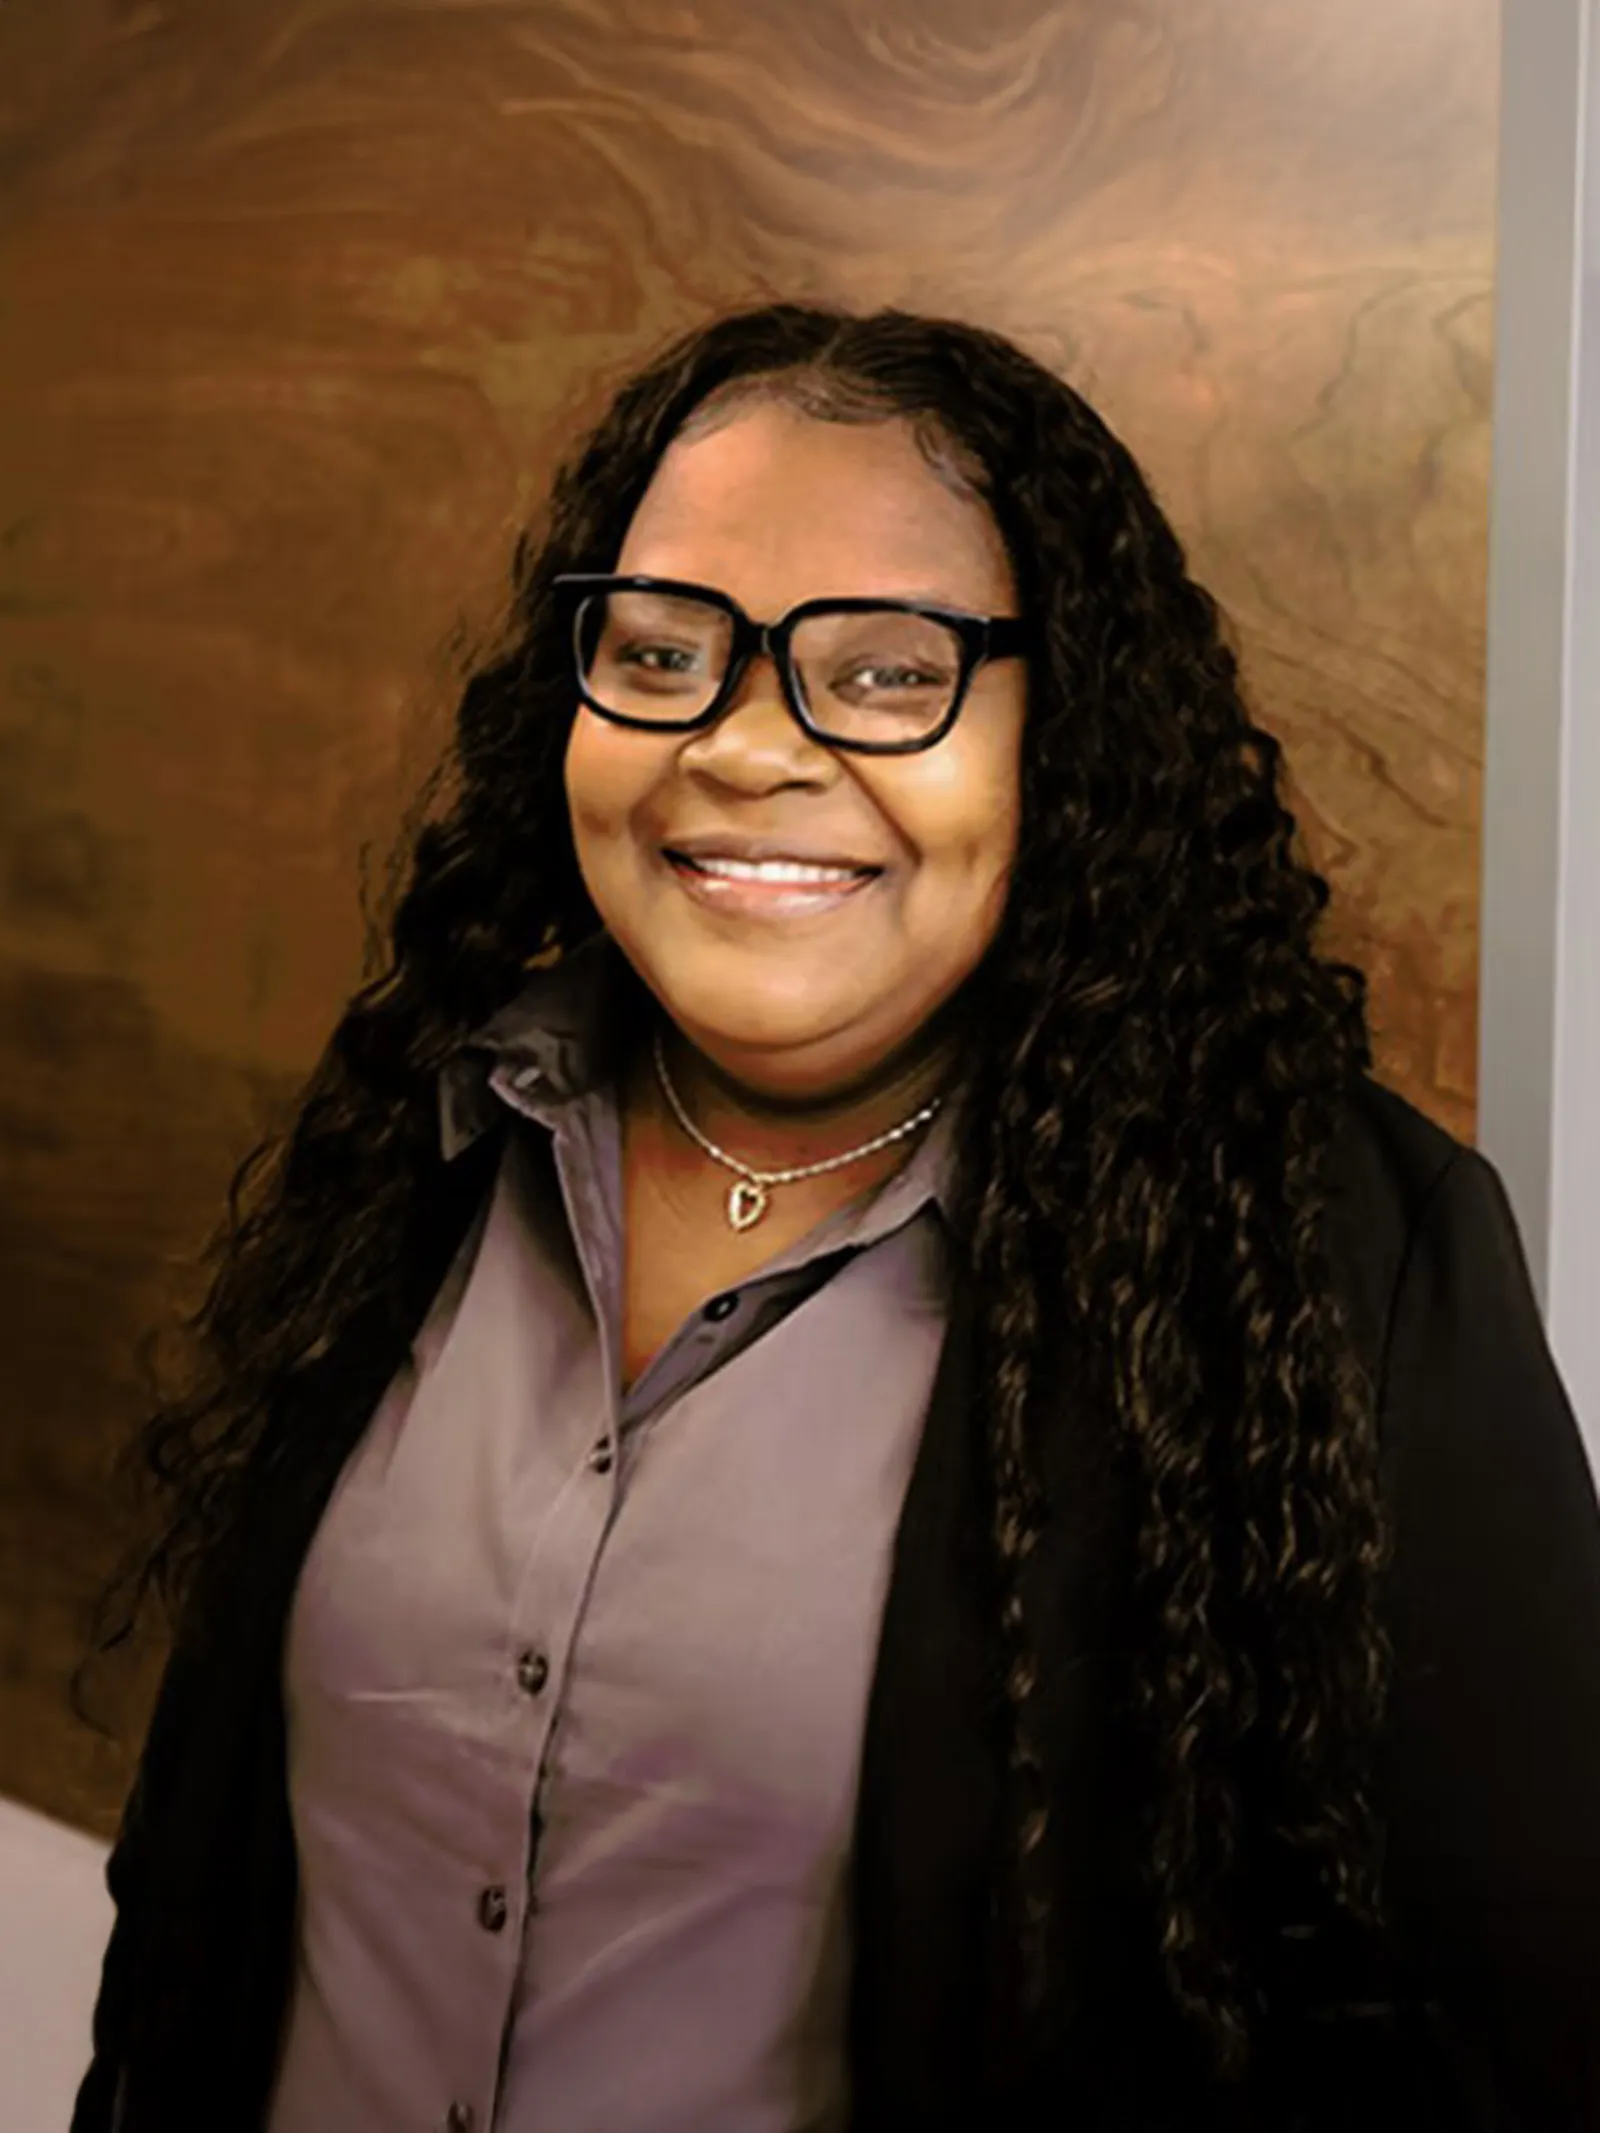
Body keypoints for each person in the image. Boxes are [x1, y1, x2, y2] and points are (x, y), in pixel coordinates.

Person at [71, 303, 1600, 2133]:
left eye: (885, 673)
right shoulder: (433, 1135)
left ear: (1067, 738)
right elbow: (197, 1927)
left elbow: (1513, 2055)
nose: (743, 746)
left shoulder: (1327, 1272)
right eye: (662, 651)